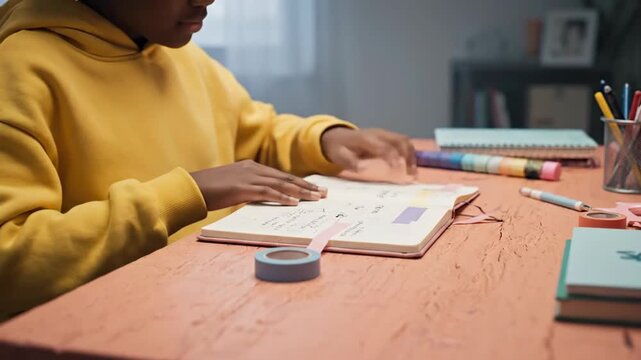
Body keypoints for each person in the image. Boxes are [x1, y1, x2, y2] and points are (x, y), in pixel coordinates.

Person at [0, 0, 417, 320]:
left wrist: (323, 139)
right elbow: (12, 261)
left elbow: (256, 135)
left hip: (215, 302)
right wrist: (189, 192)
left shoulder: (177, 54)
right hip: (105, 326)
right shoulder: (18, 70)